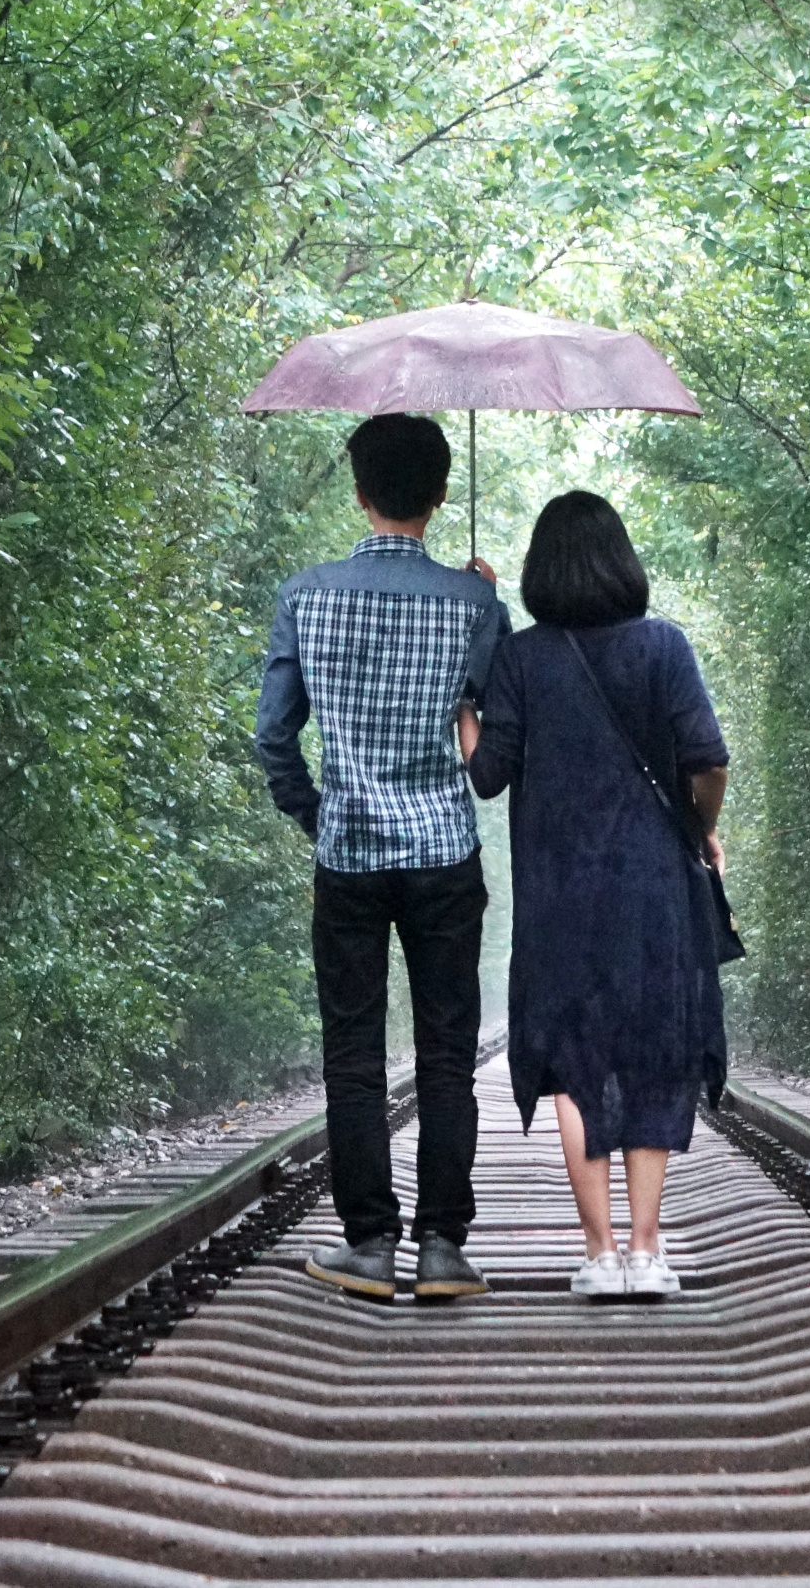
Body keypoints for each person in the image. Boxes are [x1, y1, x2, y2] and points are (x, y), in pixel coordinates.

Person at [257, 411, 505, 1301]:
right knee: (446, 1051)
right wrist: (485, 605)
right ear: (439, 496)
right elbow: (494, 726)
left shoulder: (305, 594)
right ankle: (442, 1247)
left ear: (358, 492)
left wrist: (315, 814)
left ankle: (368, 1244)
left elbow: (273, 738)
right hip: (443, 853)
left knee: (354, 1053)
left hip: (348, 854)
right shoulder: (474, 605)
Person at [471, 488, 731, 1299]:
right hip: (652, 885)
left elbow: (486, 775)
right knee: (652, 1050)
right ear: (622, 562)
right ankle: (648, 1252)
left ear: (540, 570)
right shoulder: (663, 646)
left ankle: (600, 1254)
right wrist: (701, 827)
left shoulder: (522, 657)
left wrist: (466, 704)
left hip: (558, 891)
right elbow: (707, 760)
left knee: (576, 1058)